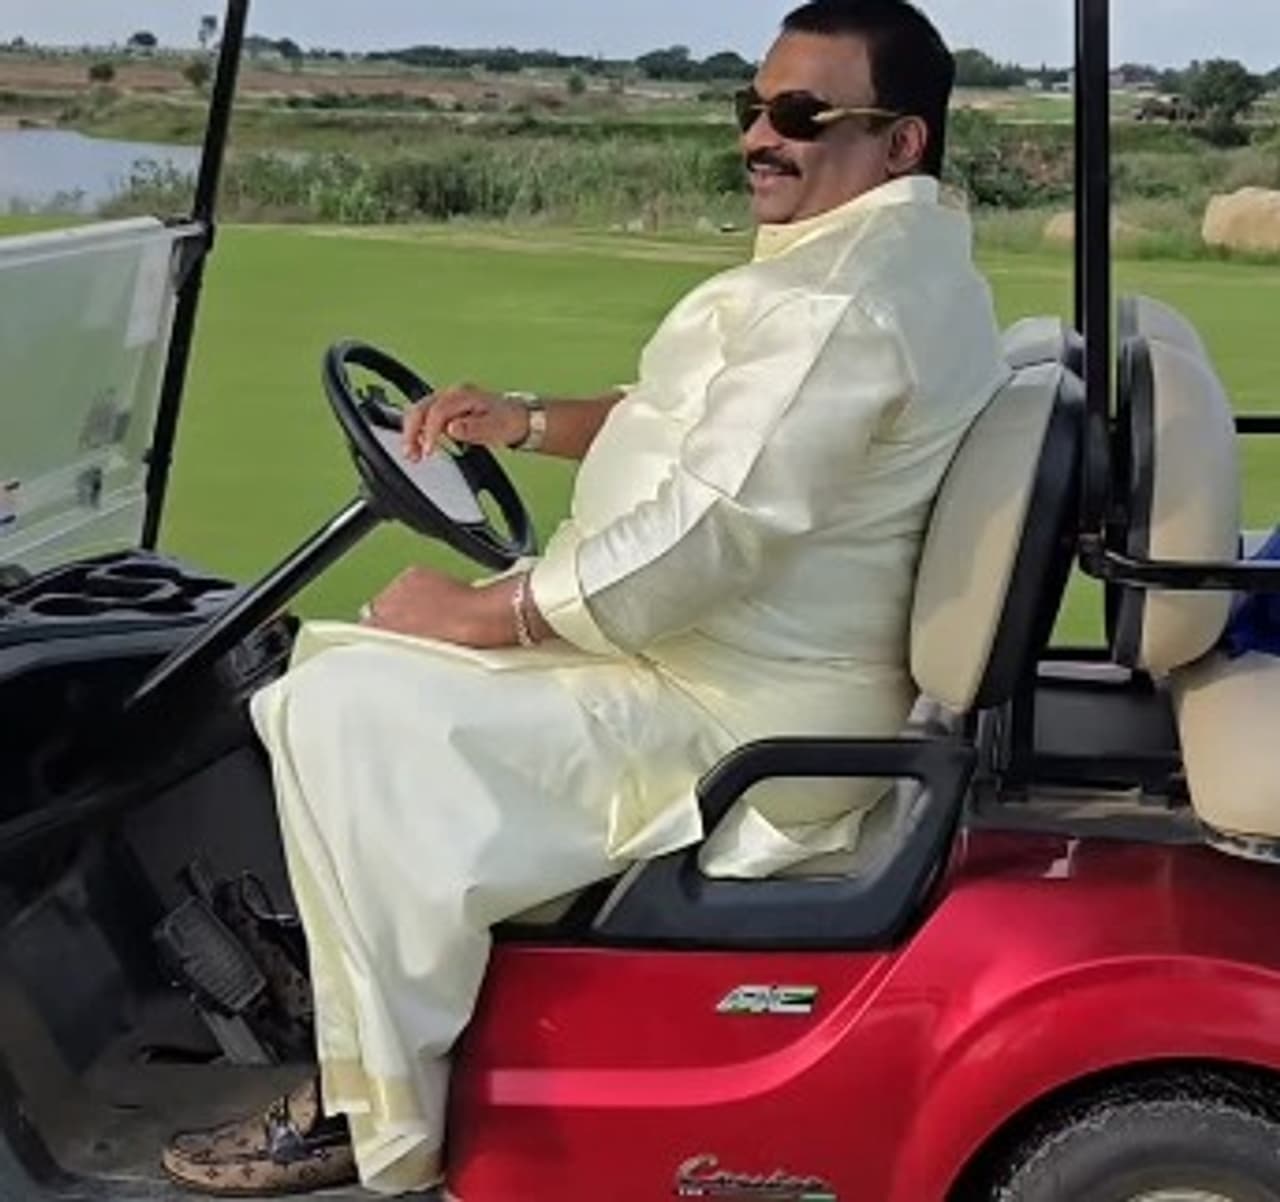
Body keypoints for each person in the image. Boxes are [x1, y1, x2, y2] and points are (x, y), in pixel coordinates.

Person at [162, 0, 1008, 1194]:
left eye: (800, 114)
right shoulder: (871, 261)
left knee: (332, 705)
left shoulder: (841, 304)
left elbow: (709, 530)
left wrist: (490, 612)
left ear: (900, 142)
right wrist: (522, 421)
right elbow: (690, 421)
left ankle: (369, 1104)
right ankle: (363, 990)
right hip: (716, 663)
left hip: (735, 711)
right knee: (339, 662)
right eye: (752, 107)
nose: (759, 136)